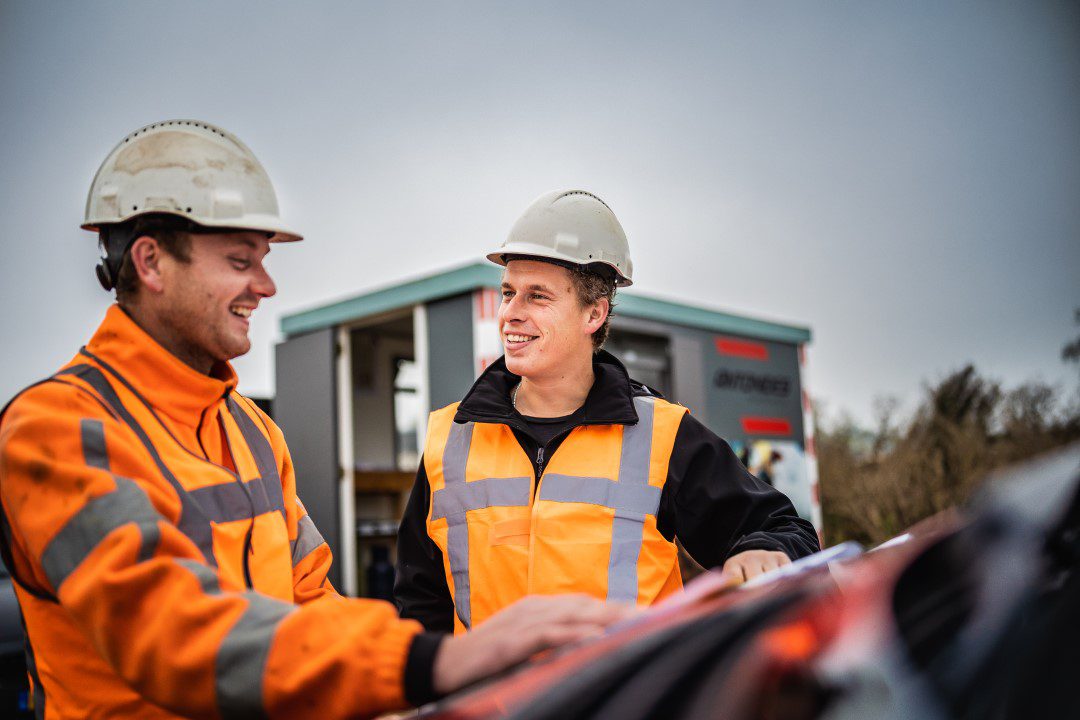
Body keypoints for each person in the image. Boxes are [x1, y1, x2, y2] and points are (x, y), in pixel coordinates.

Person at [0, 123, 629, 719]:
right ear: (152, 262)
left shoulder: (250, 432)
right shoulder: (56, 432)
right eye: (241, 261)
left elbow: (311, 604)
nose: (267, 286)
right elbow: (166, 632)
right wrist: (432, 661)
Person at [395, 189, 820, 634]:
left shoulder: (661, 434)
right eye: (508, 292)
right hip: (492, 704)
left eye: (537, 296)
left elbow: (784, 530)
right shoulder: (451, 437)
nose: (510, 314)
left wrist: (763, 551)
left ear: (594, 313)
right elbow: (420, 601)